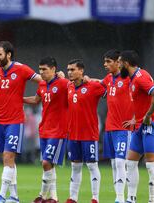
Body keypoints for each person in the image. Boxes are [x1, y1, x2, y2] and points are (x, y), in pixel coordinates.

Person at [0, 41, 41, 203]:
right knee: (7, 159)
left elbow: (43, 80)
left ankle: (1, 195)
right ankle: (14, 196)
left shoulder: (21, 69)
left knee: (7, 156)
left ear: (9, 54)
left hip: (15, 120)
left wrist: (37, 98)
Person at [119, 50, 154, 203]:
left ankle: (153, 200)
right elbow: (141, 102)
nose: (119, 67)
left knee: (151, 165)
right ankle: (131, 199)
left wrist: (148, 115)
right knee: (130, 162)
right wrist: (136, 118)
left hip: (152, 125)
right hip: (140, 125)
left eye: (119, 63)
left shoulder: (140, 77)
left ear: (126, 63)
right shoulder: (133, 79)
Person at [23, 57, 69, 203]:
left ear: (54, 69)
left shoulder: (63, 83)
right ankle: (54, 198)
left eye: (44, 69)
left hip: (58, 130)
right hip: (45, 129)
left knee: (45, 162)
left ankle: (42, 196)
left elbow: (77, 92)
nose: (41, 72)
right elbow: (36, 100)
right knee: (49, 165)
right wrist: (19, 98)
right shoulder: (42, 84)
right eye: (40, 69)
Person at [65, 59, 106, 203]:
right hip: (73, 134)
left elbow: (110, 87)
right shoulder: (68, 86)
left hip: (89, 134)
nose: (69, 72)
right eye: (68, 70)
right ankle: (73, 198)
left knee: (92, 165)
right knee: (75, 166)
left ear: (81, 71)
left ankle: (95, 198)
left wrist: (95, 79)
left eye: (72, 69)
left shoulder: (93, 86)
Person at [100, 49, 134, 203]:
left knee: (121, 161)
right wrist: (85, 79)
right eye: (105, 61)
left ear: (118, 62)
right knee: (114, 163)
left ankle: (123, 197)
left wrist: (136, 118)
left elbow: (142, 97)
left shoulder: (129, 79)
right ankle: (119, 197)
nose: (105, 64)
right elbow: (97, 85)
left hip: (123, 128)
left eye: (108, 61)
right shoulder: (108, 79)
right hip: (109, 128)